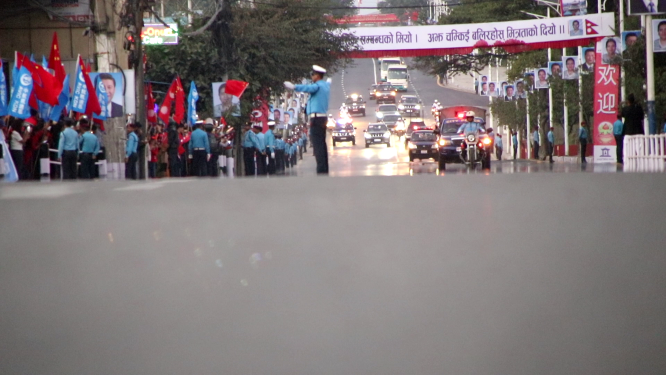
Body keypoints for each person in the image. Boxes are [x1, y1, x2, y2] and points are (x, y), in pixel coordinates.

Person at [284, 65, 330, 175]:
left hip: (316, 118)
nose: (312, 77)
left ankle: (321, 170)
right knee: (322, 144)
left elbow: (308, 88)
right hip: (322, 117)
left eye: (313, 75)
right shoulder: (325, 85)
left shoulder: (317, 86)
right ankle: (324, 169)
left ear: (317, 76)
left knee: (317, 145)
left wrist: (294, 87)